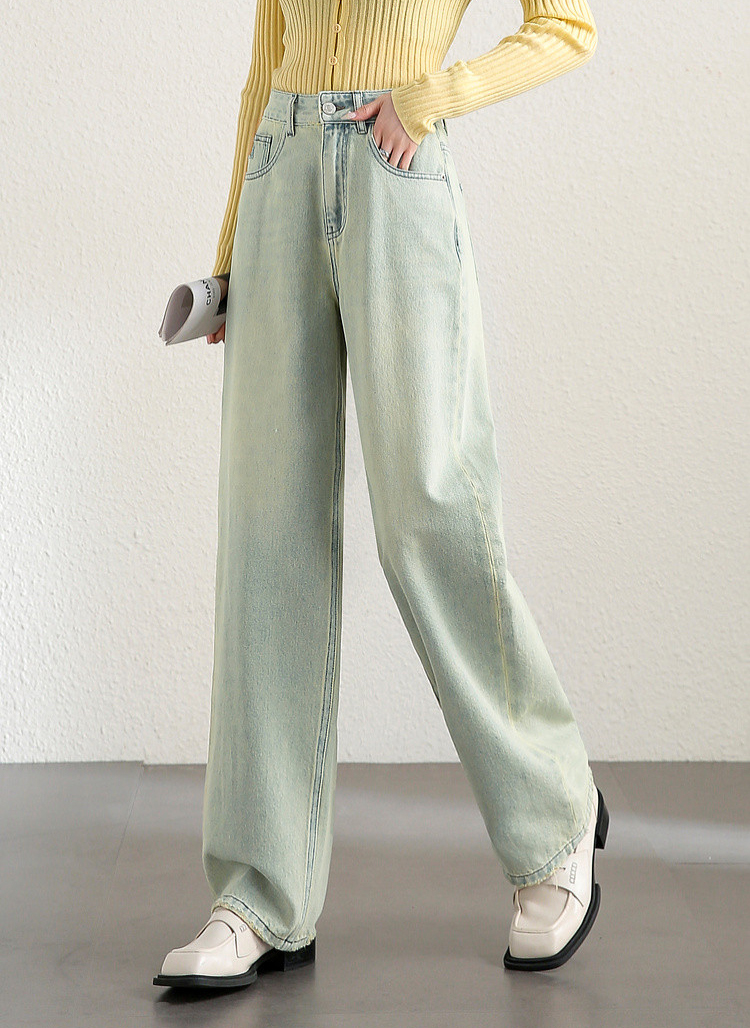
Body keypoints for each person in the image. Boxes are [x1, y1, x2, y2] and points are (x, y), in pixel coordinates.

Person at [154, 0, 609, 989]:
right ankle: (261, 892)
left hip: (396, 166)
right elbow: (266, 64)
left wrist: (430, 96)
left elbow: (567, 27)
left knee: (428, 512)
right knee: (266, 532)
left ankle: (554, 818)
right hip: (279, 170)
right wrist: (230, 252)